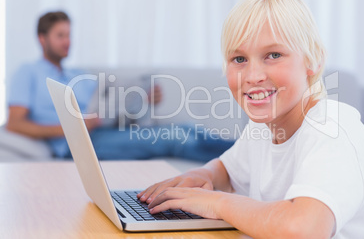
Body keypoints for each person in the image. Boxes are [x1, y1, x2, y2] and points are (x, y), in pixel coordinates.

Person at [137, 0, 364, 238]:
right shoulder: (263, 127)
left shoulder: (332, 128)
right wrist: (201, 176)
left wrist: (216, 202)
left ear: (314, 61)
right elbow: (227, 170)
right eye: (239, 59)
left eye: (273, 55)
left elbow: (303, 230)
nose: (253, 76)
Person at [6, 11, 233, 161]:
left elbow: (112, 105)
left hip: (108, 128)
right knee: (176, 138)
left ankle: (247, 152)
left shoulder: (78, 75)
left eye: (69, 35)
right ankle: (241, 164)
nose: (68, 42)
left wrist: (141, 98)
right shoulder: (28, 72)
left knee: (186, 128)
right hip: (79, 142)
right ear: (42, 39)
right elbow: (15, 124)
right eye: (60, 35)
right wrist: (75, 126)